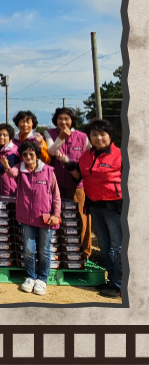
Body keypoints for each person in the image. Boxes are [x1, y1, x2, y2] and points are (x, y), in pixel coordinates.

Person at [63, 118, 123, 299]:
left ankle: (121, 284)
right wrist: (67, 163)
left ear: (110, 136)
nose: (98, 138)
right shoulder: (87, 155)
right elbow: (79, 177)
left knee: (118, 246)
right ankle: (112, 280)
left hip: (115, 206)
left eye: (102, 134)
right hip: (95, 206)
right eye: (94, 134)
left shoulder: (120, 155)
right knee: (105, 246)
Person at [4, 141, 61, 296]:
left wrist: (56, 215)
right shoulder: (19, 169)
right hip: (26, 218)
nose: (28, 157)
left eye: (31, 154)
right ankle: (30, 277)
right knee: (29, 249)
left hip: (46, 218)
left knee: (44, 250)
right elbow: (12, 174)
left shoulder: (48, 171)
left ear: (37, 155)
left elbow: (56, 195)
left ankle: (42, 279)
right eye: (25, 154)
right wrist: (7, 167)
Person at [44, 107, 92, 260]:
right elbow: (51, 151)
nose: (63, 122)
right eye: (60, 118)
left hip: (78, 186)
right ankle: (60, 253)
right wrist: (62, 137)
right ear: (55, 120)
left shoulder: (83, 137)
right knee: (58, 218)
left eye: (67, 119)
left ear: (72, 120)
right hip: (55, 185)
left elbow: (90, 156)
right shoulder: (49, 133)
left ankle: (84, 253)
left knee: (81, 218)